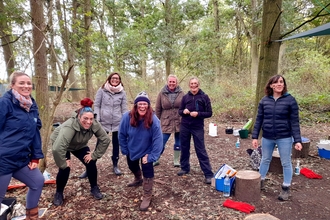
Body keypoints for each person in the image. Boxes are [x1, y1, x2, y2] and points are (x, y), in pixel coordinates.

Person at [0, 71, 44, 220]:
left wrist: (36, 156)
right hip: (3, 160)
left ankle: (31, 216)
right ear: (12, 85)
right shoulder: (5, 103)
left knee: (38, 181)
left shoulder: (31, 104)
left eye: (28, 83)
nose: (26, 86)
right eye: (21, 83)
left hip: (21, 159)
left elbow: (35, 131)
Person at [252, 74, 303, 201]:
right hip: (267, 136)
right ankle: (261, 182)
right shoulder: (264, 100)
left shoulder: (290, 100)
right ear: (271, 85)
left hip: (284, 137)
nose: (279, 84)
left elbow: (294, 122)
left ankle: (286, 188)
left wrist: (297, 140)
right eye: (276, 82)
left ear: (283, 85)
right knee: (265, 159)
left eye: (281, 82)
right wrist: (254, 137)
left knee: (285, 162)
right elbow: (259, 119)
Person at [51, 98, 110, 206]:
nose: (88, 122)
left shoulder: (94, 124)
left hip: (79, 145)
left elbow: (105, 139)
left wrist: (95, 154)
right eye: (85, 118)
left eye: (91, 119)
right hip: (63, 144)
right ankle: (59, 193)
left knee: (91, 162)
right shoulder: (69, 126)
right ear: (79, 117)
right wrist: (63, 162)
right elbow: (57, 148)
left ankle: (94, 188)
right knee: (65, 169)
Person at [118, 91, 163, 211]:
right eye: (140, 104)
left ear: (148, 106)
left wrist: (152, 156)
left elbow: (158, 140)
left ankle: (147, 195)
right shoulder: (127, 117)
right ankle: (138, 178)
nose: (142, 106)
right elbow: (121, 134)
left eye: (145, 104)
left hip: (147, 149)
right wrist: (125, 149)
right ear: (136, 105)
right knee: (132, 165)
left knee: (147, 169)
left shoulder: (154, 119)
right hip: (132, 147)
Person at [79, 72, 127, 178]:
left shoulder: (122, 92)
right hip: (103, 122)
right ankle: (90, 166)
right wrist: (97, 119)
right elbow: (97, 105)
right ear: (109, 79)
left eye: (117, 78)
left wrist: (124, 122)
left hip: (117, 123)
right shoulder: (102, 90)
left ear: (120, 80)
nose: (115, 80)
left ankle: (115, 165)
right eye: (113, 78)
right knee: (100, 143)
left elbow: (124, 109)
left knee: (116, 144)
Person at [177, 77, 214, 184]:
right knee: (184, 147)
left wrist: (198, 114)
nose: (194, 85)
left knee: (200, 149)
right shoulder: (185, 97)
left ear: (198, 84)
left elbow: (209, 113)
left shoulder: (204, 97)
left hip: (197, 127)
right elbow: (179, 111)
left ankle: (208, 173)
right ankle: (185, 168)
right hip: (185, 126)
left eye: (195, 83)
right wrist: (183, 111)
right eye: (192, 83)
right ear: (189, 85)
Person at [154, 74, 184, 167]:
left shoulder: (182, 93)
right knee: (161, 141)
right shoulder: (162, 93)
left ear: (176, 83)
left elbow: (186, 107)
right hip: (165, 121)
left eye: (173, 82)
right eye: (170, 81)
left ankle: (176, 160)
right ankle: (156, 158)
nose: (172, 83)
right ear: (167, 82)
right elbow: (158, 108)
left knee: (178, 142)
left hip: (179, 121)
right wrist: (156, 121)